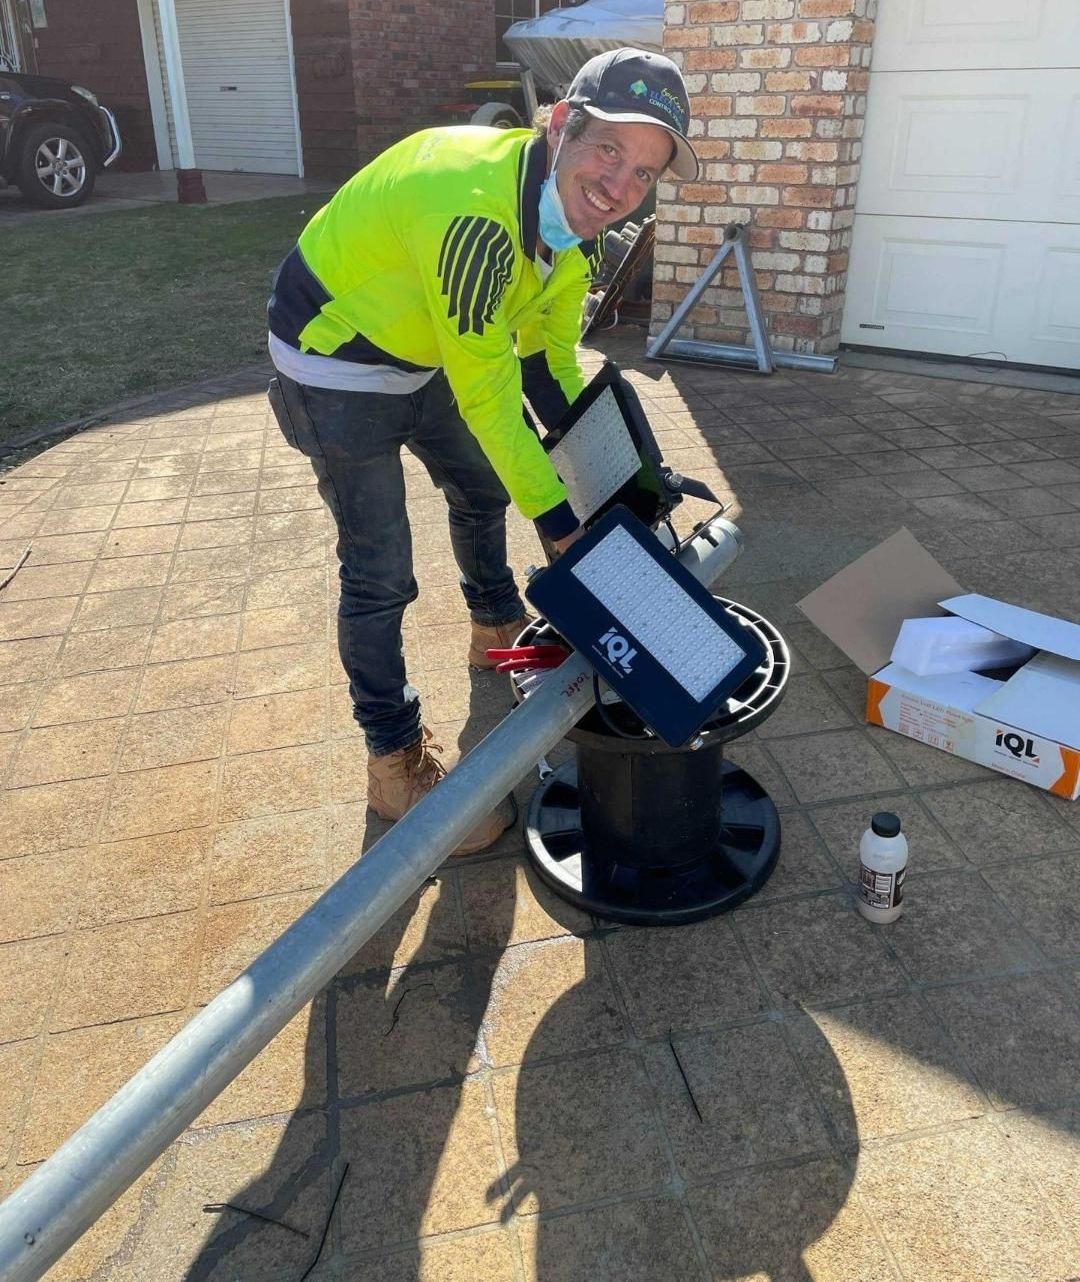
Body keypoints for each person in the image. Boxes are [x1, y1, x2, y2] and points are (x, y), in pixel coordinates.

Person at [266, 47, 699, 853]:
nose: (619, 186)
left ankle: (495, 630)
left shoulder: (577, 234)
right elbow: (494, 403)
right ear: (561, 125)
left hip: (427, 343)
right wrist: (569, 535)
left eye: (644, 171)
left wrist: (606, 476)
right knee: (381, 569)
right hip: (334, 355)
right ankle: (393, 761)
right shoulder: (475, 219)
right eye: (610, 149)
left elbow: (547, 367)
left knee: (483, 486)